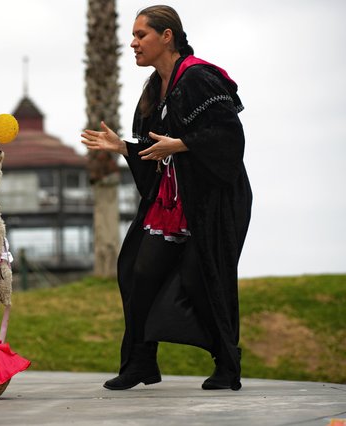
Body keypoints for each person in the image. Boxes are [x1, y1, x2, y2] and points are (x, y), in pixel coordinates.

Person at [81, 5, 252, 391]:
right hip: (172, 202)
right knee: (136, 270)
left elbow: (230, 139)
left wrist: (184, 143)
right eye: (134, 35)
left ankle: (227, 363)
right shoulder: (153, 89)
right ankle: (142, 362)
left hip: (214, 200)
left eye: (141, 35)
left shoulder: (197, 79)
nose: (133, 43)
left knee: (200, 277)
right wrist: (123, 146)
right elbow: (153, 151)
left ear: (167, 36)